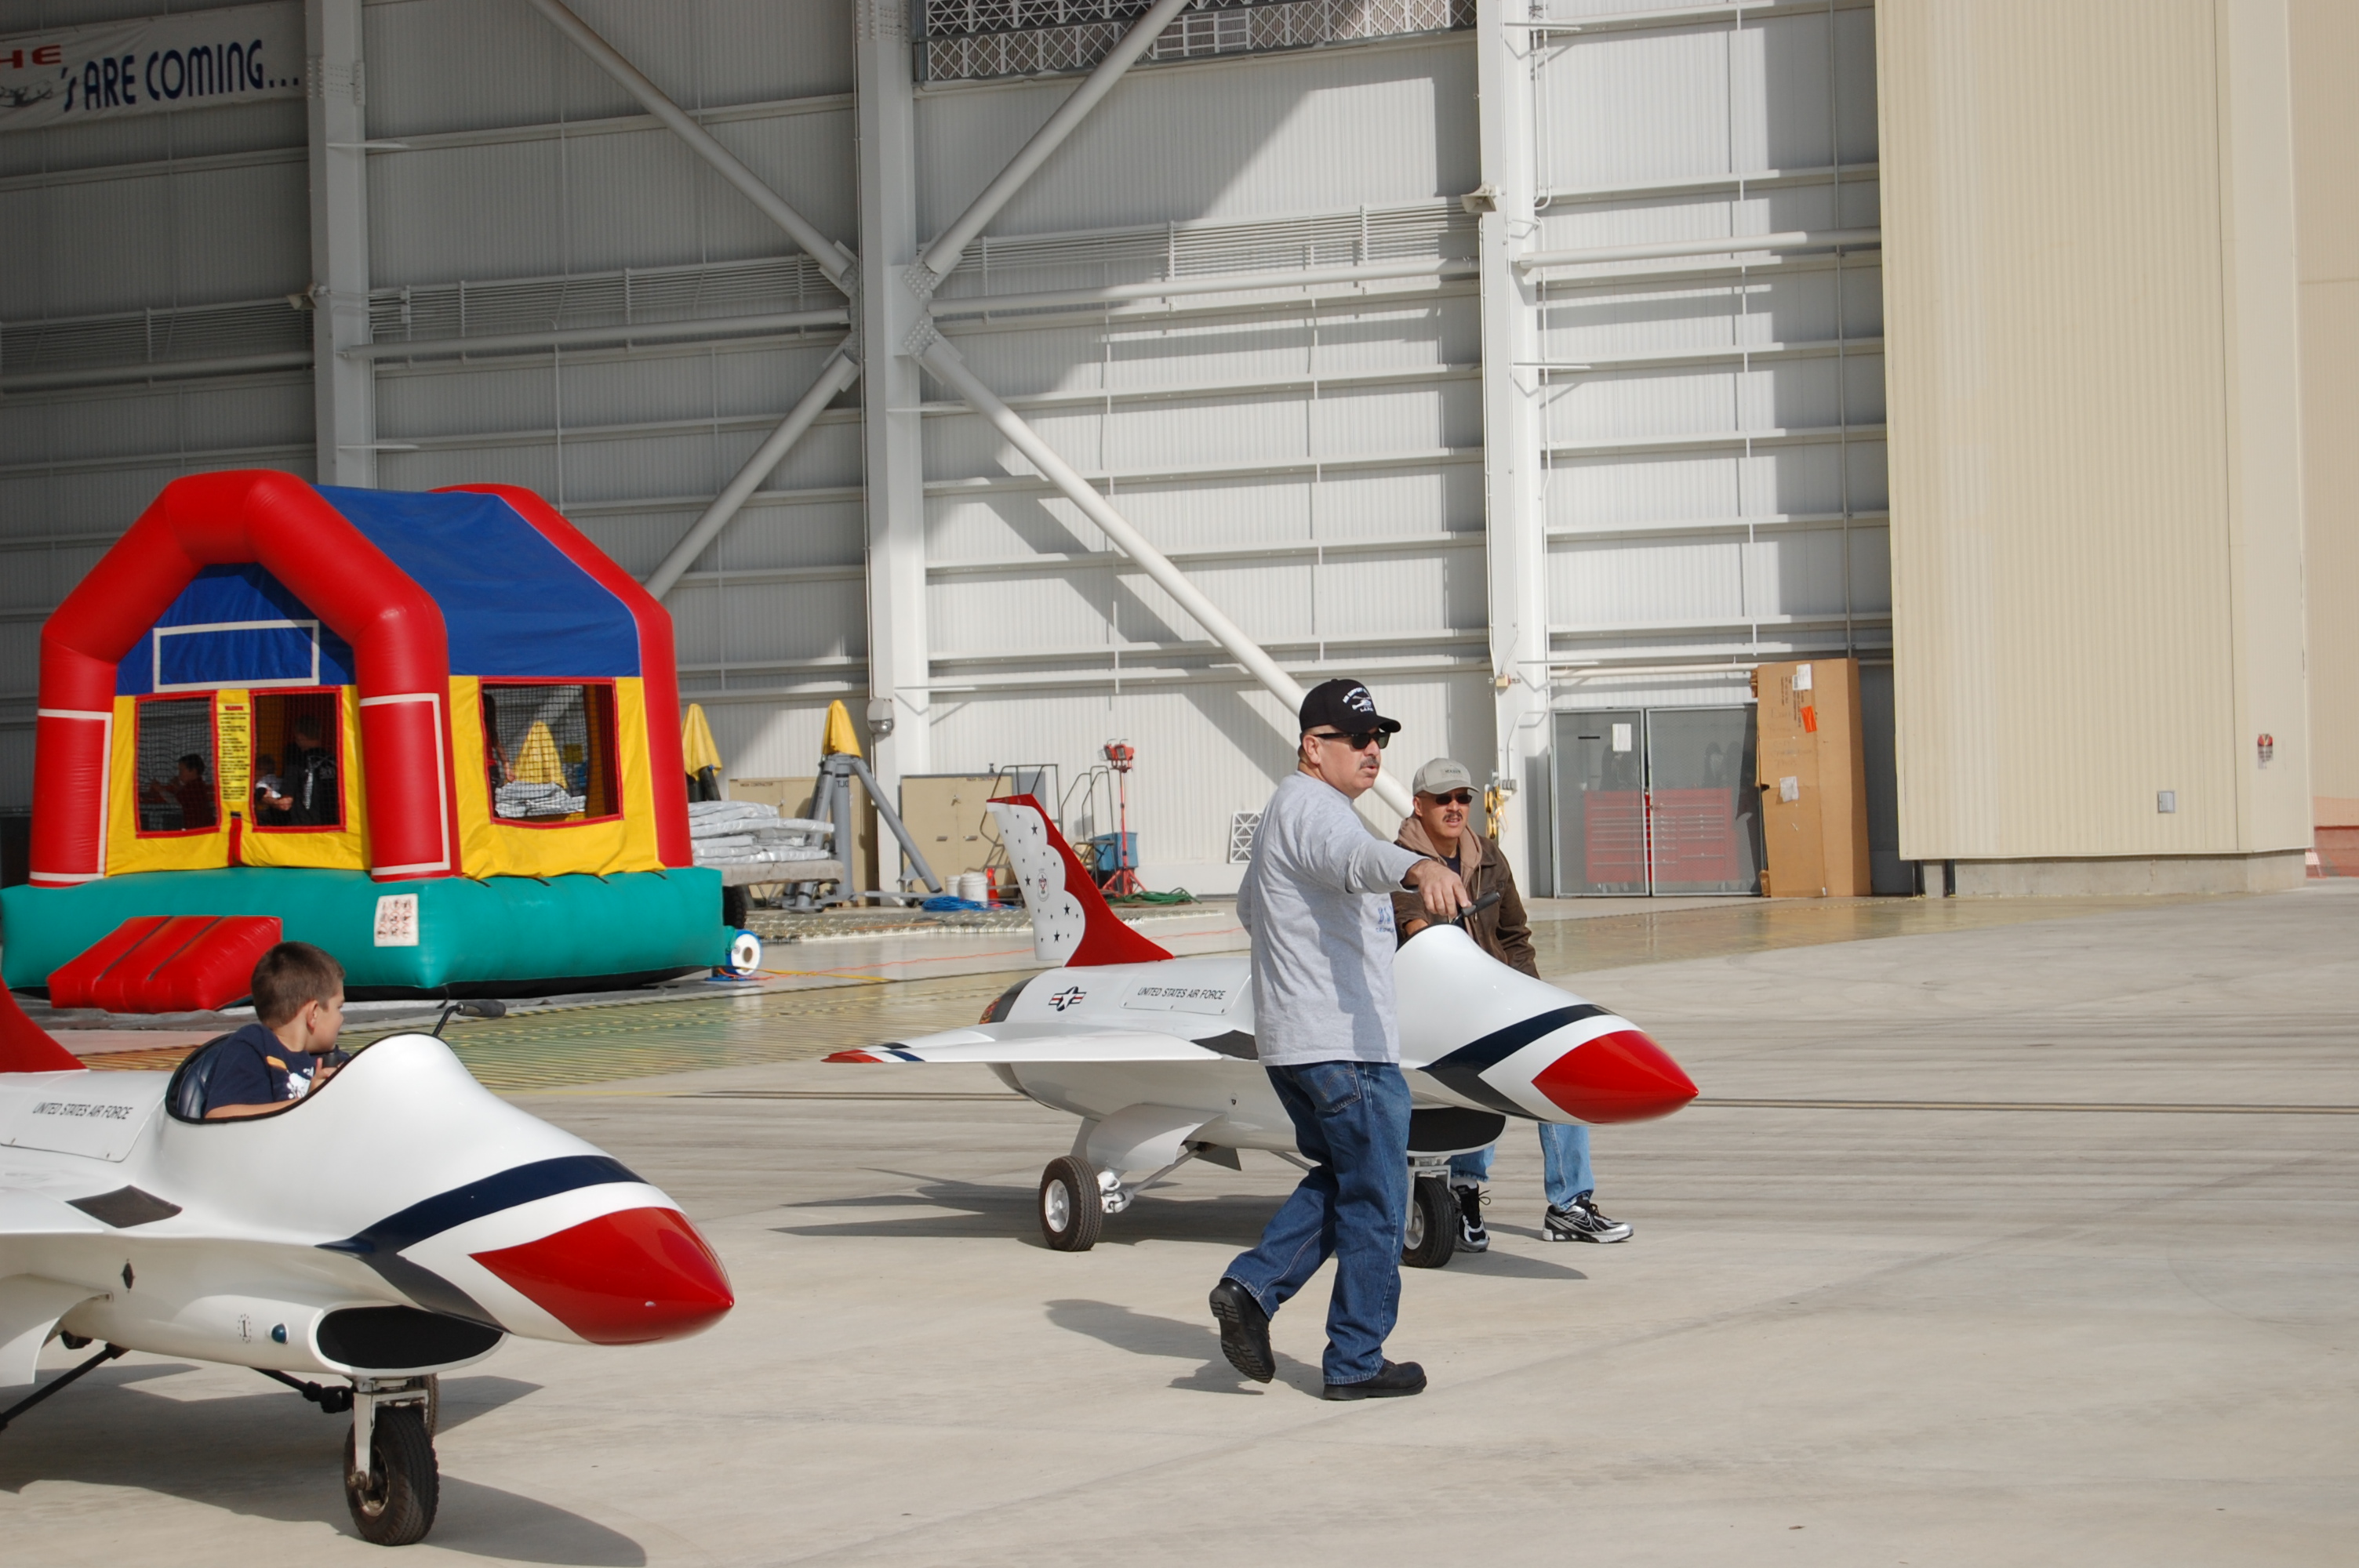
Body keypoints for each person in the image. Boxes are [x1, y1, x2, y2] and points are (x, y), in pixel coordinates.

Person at [1208, 678, 1471, 1400]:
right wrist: (1418, 867)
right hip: (1344, 1049)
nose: (1373, 750)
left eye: (1379, 737)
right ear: (1312, 746)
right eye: (1357, 739)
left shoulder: (1280, 816)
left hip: (1296, 1045)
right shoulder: (1316, 811)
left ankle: (1252, 1290)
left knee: (1343, 1181)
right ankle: (1355, 1360)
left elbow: (1249, 906)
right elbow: (1356, 861)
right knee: (1381, 1197)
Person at [1390, 757, 1633, 1248]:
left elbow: (1514, 935)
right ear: (1419, 806)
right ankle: (1463, 1194)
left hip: (1495, 996)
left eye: (1463, 798)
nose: (1455, 808)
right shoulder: (1396, 864)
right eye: (1443, 799)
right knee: (1476, 1081)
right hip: (1432, 1006)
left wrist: (1533, 997)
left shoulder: (1490, 857)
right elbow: (1413, 933)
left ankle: (1569, 1205)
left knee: (1558, 1062)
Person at [200, 942, 351, 1120]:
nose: (342, 1018)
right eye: (338, 1008)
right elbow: (220, 1116)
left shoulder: (335, 1062)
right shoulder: (253, 1047)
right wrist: (309, 1102)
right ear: (314, 1013)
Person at [281, 714, 338, 826]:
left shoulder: (297, 762)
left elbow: (285, 803)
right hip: (332, 824)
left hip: (304, 825)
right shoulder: (334, 761)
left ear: (299, 736)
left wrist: (262, 796)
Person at [140, 753, 216, 831]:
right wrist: (178, 786)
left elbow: (176, 801)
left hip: (198, 829)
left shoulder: (193, 787)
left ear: (193, 771)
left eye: (181, 770)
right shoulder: (197, 785)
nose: (179, 774)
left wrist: (160, 789)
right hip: (201, 827)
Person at [253, 753, 289, 822]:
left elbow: (261, 792)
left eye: (258, 769)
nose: (256, 772)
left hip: (274, 810)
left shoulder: (264, 780)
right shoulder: (280, 780)